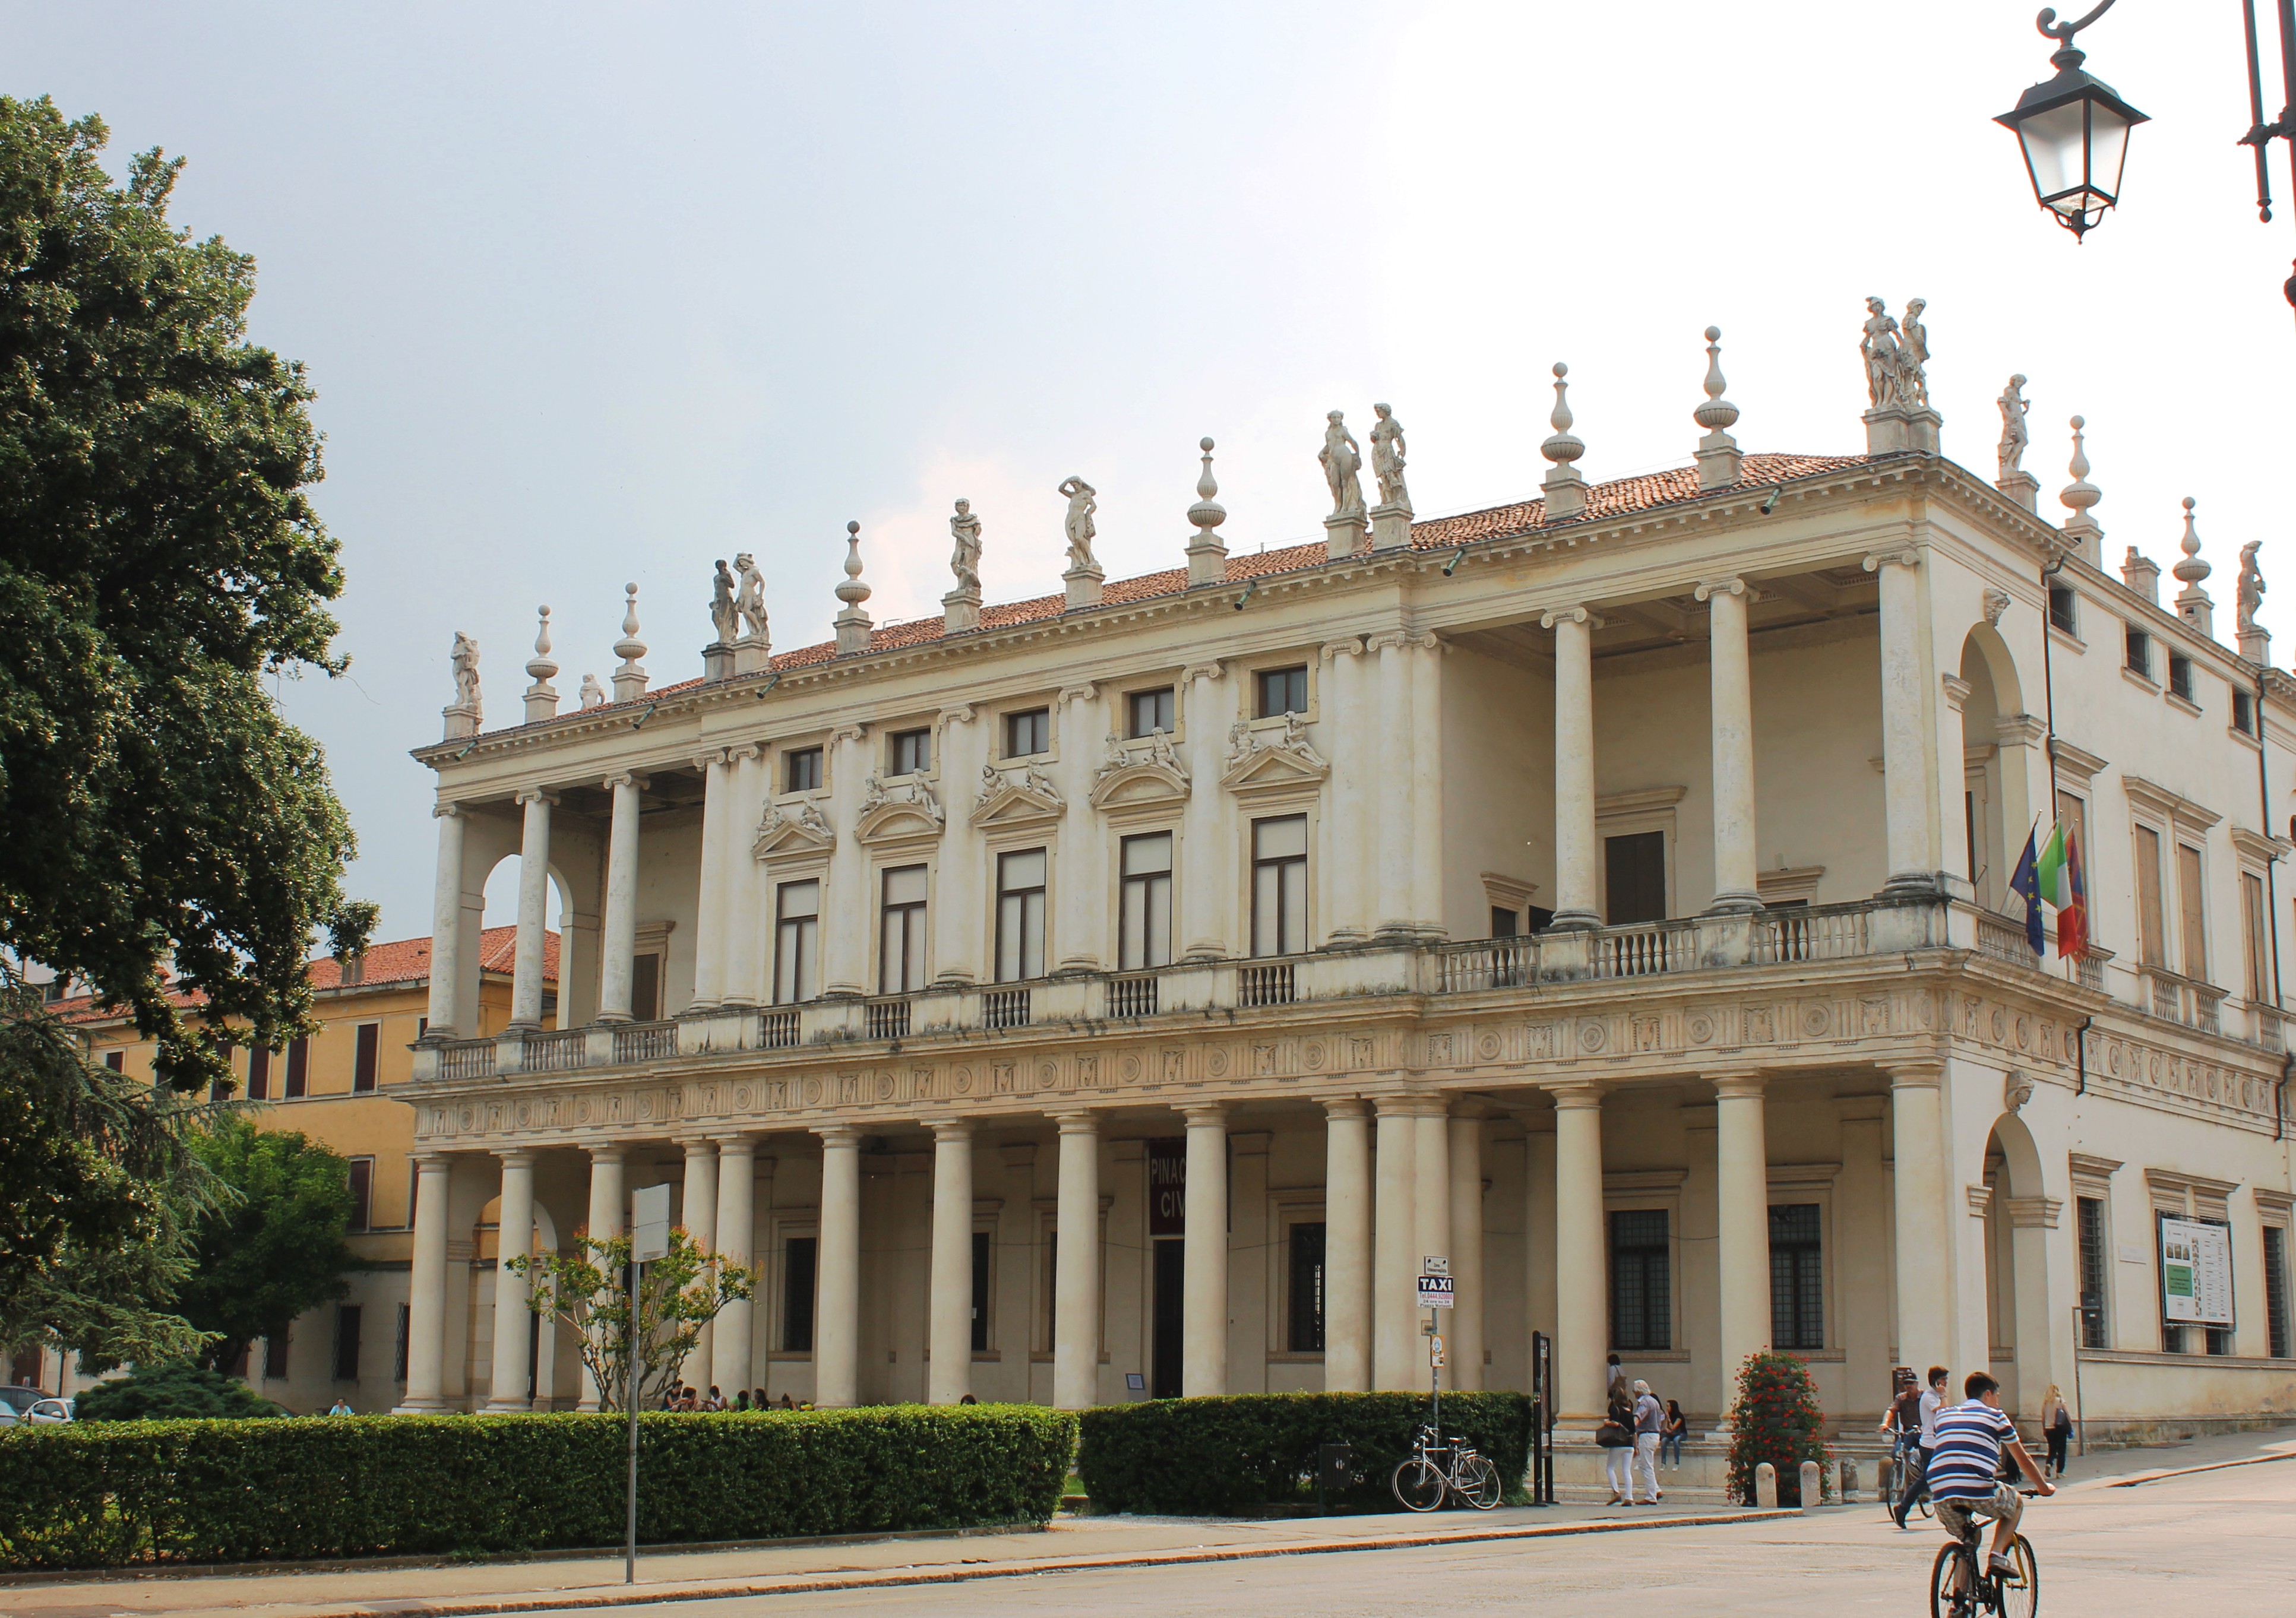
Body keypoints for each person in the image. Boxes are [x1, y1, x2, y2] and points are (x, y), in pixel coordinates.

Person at [1928, 1371, 2053, 1587]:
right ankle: (1997, 1554)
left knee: (1970, 1540)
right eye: (1997, 1396)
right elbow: (2023, 1460)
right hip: (1977, 1489)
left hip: (1940, 1492)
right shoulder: (1996, 1417)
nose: (1998, 1402)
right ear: (1988, 1394)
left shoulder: (1944, 1415)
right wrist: (2043, 1487)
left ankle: (1959, 1598)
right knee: (2016, 1503)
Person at [1892, 1366, 1949, 1529]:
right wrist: (1943, 1395)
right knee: (1927, 1478)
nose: (1946, 1382)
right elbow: (1944, 1412)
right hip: (1930, 1444)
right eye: (1943, 1379)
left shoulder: (1935, 1396)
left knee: (1935, 1477)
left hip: (1937, 1442)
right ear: (1936, 1381)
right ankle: (1903, 1508)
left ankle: (1905, 1508)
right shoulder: (1930, 1397)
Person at [1598, 1383, 1636, 1506]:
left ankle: (1616, 1492)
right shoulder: (1629, 1411)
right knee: (1627, 1471)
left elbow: (1615, 1423)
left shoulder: (1616, 1409)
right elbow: (1634, 1432)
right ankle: (1629, 1497)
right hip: (1629, 1444)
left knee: (1610, 1467)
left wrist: (1607, 1423)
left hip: (1619, 1442)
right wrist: (1636, 1447)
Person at [1630, 1379, 1665, 1505]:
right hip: (1655, 1435)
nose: (1634, 1394)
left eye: (1634, 1391)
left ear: (1639, 1391)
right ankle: (1656, 1490)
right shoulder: (1654, 1401)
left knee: (1647, 1467)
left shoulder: (1644, 1402)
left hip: (1647, 1435)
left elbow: (1640, 1415)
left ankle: (1651, 1496)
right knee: (1644, 1464)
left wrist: (1632, 1425)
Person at [2040, 1384, 2072, 1477]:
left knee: (2052, 1450)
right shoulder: (2060, 1401)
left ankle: (2049, 1463)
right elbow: (2067, 1414)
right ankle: (2059, 1472)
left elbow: (2043, 1418)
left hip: (2049, 1429)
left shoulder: (2045, 1404)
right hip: (2059, 1429)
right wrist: (2070, 1426)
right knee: (2062, 1451)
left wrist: (2044, 1429)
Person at [1660, 1399, 1688, 1470]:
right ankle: (1663, 1463)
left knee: (1676, 1440)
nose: (1667, 1408)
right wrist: (1667, 1430)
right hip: (1671, 1434)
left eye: (1668, 1406)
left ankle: (1676, 1463)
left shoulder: (1679, 1416)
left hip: (1681, 1434)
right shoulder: (1669, 1415)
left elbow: (1673, 1427)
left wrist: (1669, 1418)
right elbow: (1665, 1427)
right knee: (1663, 1441)